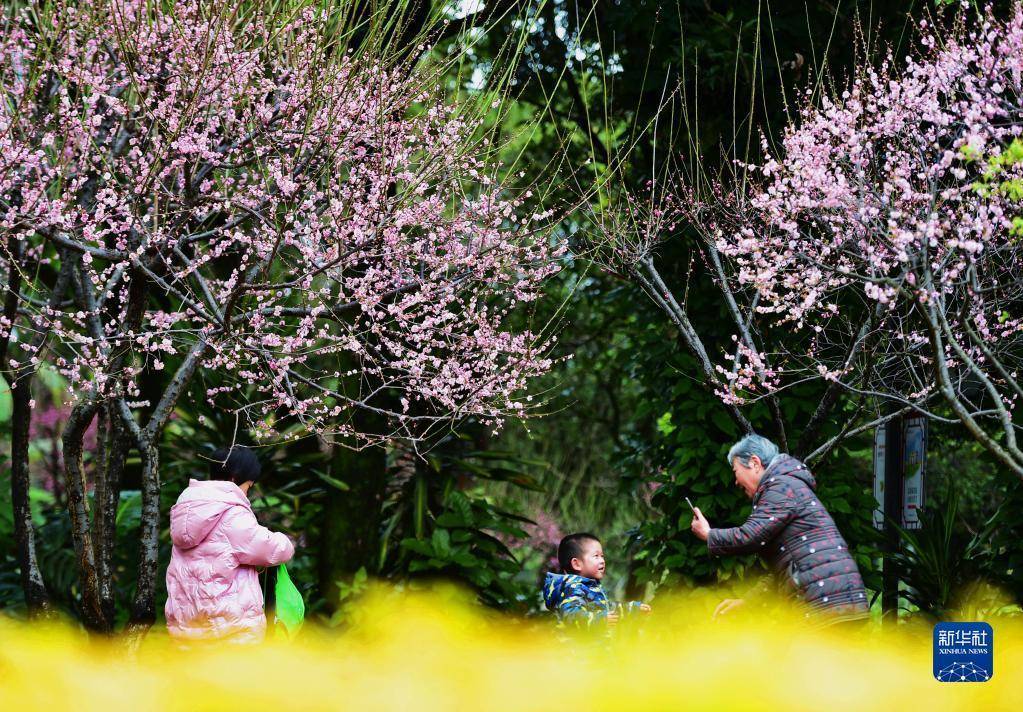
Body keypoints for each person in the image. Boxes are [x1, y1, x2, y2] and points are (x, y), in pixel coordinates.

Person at [689, 434, 868, 624]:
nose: (735, 481)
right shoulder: (786, 485)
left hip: (826, 604)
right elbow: (785, 570)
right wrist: (746, 602)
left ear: (755, 463)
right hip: (836, 601)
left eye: (735, 471)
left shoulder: (781, 487)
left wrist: (709, 534)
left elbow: (749, 536)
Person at [165, 445, 295, 644]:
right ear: (235, 478)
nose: (247, 492)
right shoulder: (230, 513)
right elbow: (272, 549)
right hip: (229, 628)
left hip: (187, 626)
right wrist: (285, 540)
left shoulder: (188, 509)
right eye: (249, 486)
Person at [542, 532, 651, 627]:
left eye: (602, 556)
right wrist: (599, 620)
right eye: (596, 556)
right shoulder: (572, 589)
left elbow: (608, 607)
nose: (602, 560)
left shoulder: (589, 588)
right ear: (577, 564)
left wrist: (632, 608)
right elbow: (572, 616)